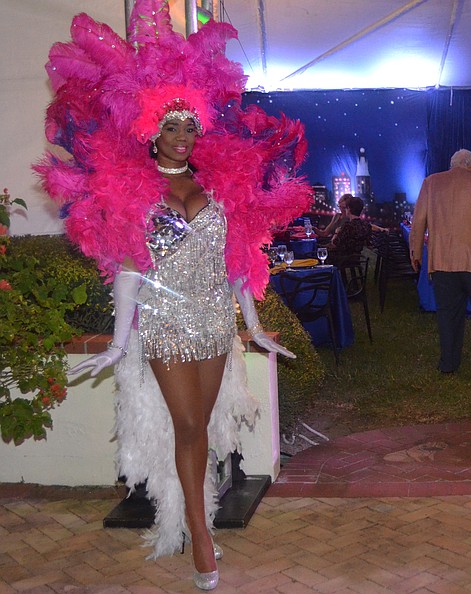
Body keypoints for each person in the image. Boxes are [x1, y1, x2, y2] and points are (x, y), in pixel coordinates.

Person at [35, 2, 312, 589]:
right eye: (172, 126)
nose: (183, 137)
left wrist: (254, 325)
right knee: (187, 422)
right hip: (162, 319)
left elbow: (236, 262)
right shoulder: (133, 188)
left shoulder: (215, 185)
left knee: (203, 423)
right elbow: (131, 268)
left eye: (191, 126)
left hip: (214, 317)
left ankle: (198, 517)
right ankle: (198, 527)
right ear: (150, 131)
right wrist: (116, 342)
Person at [409, 149, 471, 374]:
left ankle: (449, 363)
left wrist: (415, 253)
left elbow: (418, 221)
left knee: (448, 313)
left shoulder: (430, 182)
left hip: (442, 260)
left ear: (453, 164)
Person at [327, 196, 371, 262]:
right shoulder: (366, 226)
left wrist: (336, 233)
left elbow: (334, 244)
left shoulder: (347, 226)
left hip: (342, 258)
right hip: (356, 258)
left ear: (349, 209)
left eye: (346, 208)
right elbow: (368, 244)